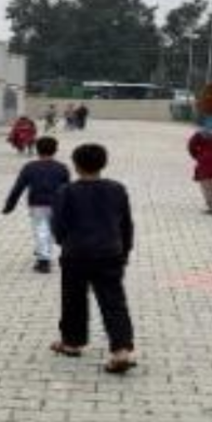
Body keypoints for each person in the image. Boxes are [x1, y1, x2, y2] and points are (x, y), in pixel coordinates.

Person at [49, 143, 137, 374]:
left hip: (75, 254)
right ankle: (121, 351)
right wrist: (125, 250)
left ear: (75, 166)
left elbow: (57, 225)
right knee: (114, 302)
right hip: (110, 253)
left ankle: (72, 342)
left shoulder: (65, 191)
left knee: (73, 300)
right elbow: (126, 223)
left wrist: (63, 242)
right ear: (104, 163)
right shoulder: (117, 189)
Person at [2, 136, 71, 273]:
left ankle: (43, 260)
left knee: (41, 229)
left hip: (37, 203)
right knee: (49, 229)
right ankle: (42, 250)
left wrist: (10, 205)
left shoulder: (30, 167)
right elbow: (68, 189)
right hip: (56, 204)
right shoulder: (62, 168)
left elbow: (18, 187)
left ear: (37, 150)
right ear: (55, 150)